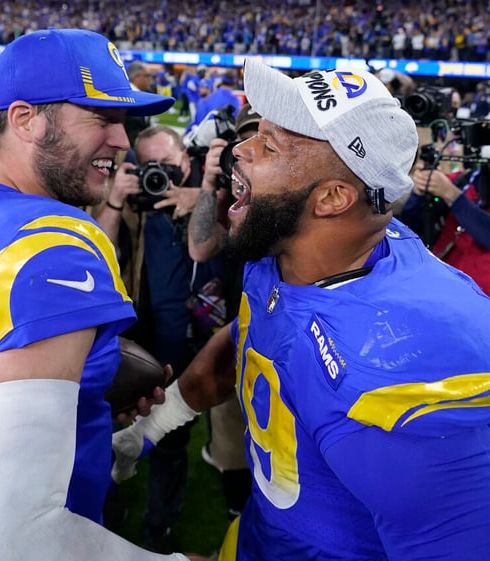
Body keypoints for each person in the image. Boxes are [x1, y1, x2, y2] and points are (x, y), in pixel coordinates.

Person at [113, 58, 490, 560]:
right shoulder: (292, 247)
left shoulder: (398, 363)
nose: (239, 151)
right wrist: (151, 428)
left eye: (269, 144)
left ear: (333, 197)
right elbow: (251, 337)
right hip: (259, 536)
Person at [0, 28, 208, 561]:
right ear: (25, 118)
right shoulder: (51, 246)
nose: (122, 142)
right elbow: (15, 540)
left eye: (123, 122)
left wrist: (82, 390)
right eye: (101, 119)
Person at [100, 123, 230, 552]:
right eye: (150, 166)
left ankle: (164, 527)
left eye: (169, 166)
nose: (162, 177)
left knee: (193, 441)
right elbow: (99, 252)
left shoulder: (212, 194)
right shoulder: (133, 205)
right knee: (142, 438)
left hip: (210, 339)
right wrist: (117, 200)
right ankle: (130, 523)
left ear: (187, 162)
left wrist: (202, 197)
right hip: (153, 342)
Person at [399, 103, 490, 342]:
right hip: (439, 293)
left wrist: (452, 195)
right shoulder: (463, 179)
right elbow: (410, 228)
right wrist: (420, 193)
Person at [187, 102, 260, 522]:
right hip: (237, 336)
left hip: (284, 340)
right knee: (233, 443)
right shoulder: (228, 198)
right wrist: (211, 182)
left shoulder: (286, 196)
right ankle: (238, 513)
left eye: (260, 142)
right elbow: (200, 246)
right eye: (243, 143)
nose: (248, 154)